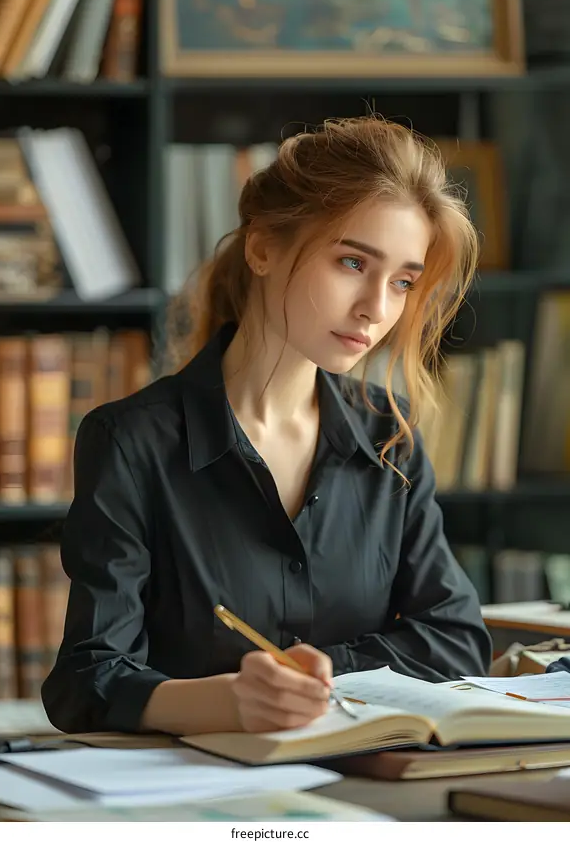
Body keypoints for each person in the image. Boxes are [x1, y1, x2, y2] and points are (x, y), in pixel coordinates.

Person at [42, 116, 492, 737]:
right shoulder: (132, 441)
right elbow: (85, 681)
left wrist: (314, 676)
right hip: (196, 792)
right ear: (262, 248)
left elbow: (455, 639)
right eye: (353, 262)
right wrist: (228, 701)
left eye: (404, 282)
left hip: (367, 779)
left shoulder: (390, 434)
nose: (378, 308)